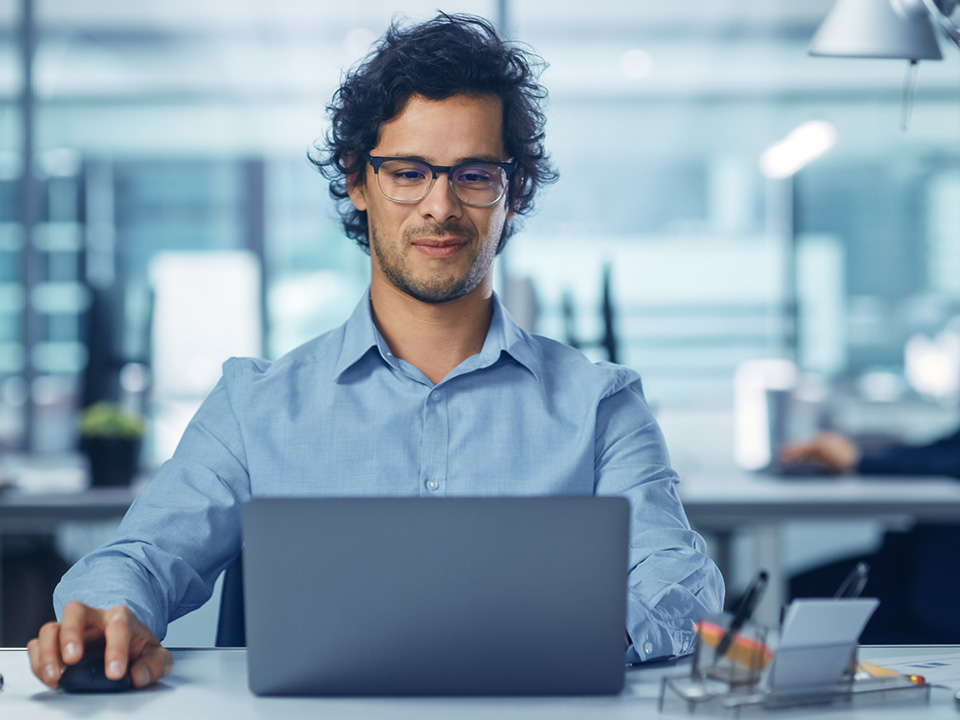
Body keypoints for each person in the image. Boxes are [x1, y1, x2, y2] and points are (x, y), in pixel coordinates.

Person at [27, 13, 724, 690]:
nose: (441, 206)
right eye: (409, 172)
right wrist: (109, 617)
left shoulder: (601, 405)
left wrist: (578, 636)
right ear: (360, 181)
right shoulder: (256, 406)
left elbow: (677, 580)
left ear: (514, 193)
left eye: (474, 174)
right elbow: (143, 557)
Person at [782, 429, 960, 642]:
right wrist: (855, 454)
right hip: (916, 563)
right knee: (780, 597)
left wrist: (858, 458)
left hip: (936, 590)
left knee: (780, 607)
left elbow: (948, 461)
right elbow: (940, 451)